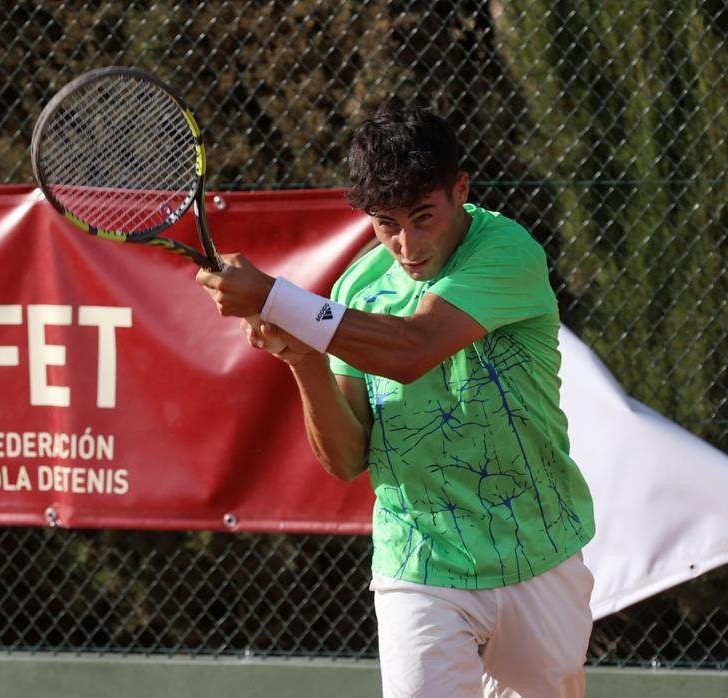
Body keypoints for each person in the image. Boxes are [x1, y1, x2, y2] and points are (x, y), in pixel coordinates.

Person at [195, 98, 596, 698]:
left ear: (460, 188)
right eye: (386, 223)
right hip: (419, 563)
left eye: (422, 216)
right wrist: (302, 356)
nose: (406, 244)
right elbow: (347, 457)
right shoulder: (357, 287)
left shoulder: (507, 252)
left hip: (536, 551)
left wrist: (276, 299)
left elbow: (413, 349)